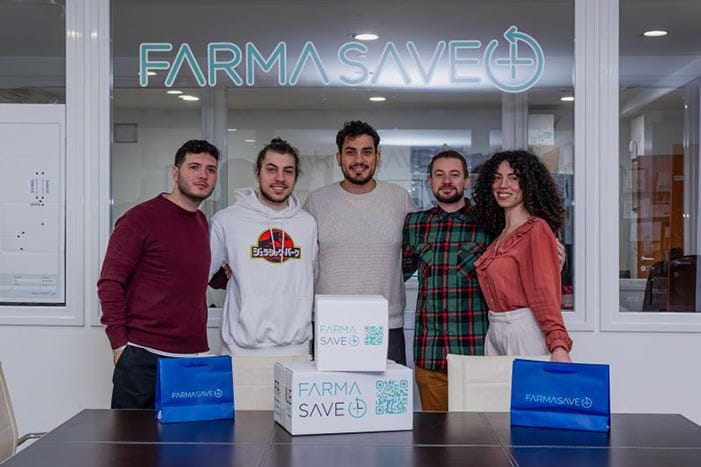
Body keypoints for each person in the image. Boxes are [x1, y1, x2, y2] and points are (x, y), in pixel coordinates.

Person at [98, 139, 219, 409]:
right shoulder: (140, 218)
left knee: (184, 437)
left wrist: (229, 273)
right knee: (132, 437)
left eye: (210, 170)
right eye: (194, 167)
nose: (203, 175)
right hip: (143, 359)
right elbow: (110, 283)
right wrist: (120, 346)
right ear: (175, 173)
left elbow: (187, 273)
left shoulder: (201, 222)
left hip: (189, 359)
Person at [303, 121, 415, 365]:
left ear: (378, 157)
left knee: (387, 391)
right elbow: (302, 261)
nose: (359, 160)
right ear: (339, 158)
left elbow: (414, 254)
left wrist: (389, 275)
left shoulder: (400, 199)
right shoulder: (316, 202)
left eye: (366, 152)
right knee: (331, 391)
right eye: (350, 152)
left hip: (386, 324)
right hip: (330, 328)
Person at [209, 137, 317, 357]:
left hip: (297, 349)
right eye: (271, 169)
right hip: (241, 351)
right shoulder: (227, 221)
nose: (280, 178)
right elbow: (201, 276)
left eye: (288, 171)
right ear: (257, 172)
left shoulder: (307, 224)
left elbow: (311, 275)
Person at [402, 150, 490, 411]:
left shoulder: (488, 224)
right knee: (435, 434)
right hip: (430, 354)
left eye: (454, 174)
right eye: (439, 175)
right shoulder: (415, 224)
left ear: (467, 181)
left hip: (475, 354)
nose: (447, 181)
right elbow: (396, 272)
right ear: (429, 181)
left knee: (477, 434)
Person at [472, 150, 573, 362]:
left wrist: (558, 345)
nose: (503, 185)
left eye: (513, 178)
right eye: (497, 178)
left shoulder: (536, 230)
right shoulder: (501, 235)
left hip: (524, 330)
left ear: (528, 184)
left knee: (532, 385)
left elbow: (544, 293)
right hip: (496, 329)